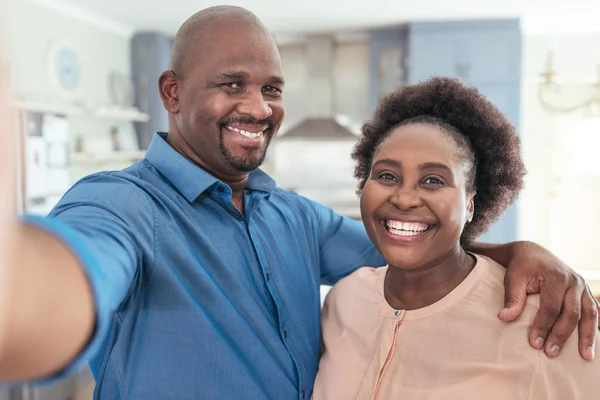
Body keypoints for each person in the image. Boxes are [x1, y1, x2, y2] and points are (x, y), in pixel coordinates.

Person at [0, 6, 597, 400]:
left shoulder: (291, 216)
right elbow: (59, 289)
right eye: (231, 84)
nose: (258, 108)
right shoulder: (122, 207)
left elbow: (412, 242)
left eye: (272, 89)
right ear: (172, 91)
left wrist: (519, 248)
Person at [312, 77, 600, 399]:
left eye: (433, 180)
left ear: (471, 204)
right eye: (387, 176)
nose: (405, 198)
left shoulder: (543, 325)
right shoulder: (345, 300)